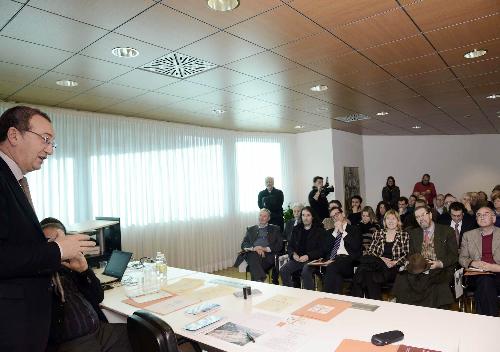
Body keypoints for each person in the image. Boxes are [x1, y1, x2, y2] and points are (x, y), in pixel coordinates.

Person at [0, 106, 96, 352]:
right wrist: (57, 250)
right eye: (45, 140)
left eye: (53, 143)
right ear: (14, 135)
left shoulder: (15, 181)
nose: (50, 150)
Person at [40, 218, 132, 352]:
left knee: (146, 337)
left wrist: (84, 270)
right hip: (74, 341)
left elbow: (98, 297)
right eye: (50, 242)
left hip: (101, 331)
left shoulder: (70, 267)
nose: (57, 246)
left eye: (61, 241)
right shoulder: (37, 275)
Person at [392, 205, 458, 308]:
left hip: (439, 267)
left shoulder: (447, 231)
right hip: (419, 266)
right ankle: (405, 309)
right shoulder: (413, 233)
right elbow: (410, 254)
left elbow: (453, 255)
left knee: (431, 279)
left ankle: (428, 312)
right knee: (402, 277)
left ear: (430, 215)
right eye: (417, 217)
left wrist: (439, 263)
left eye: (423, 215)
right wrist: (411, 263)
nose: (421, 219)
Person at [352, 210, 409, 300]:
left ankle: (359, 300)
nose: (390, 221)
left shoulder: (404, 235)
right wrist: (382, 259)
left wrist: (395, 262)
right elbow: (371, 251)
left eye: (393, 219)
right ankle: (375, 303)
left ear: (398, 221)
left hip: (392, 267)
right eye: (388, 218)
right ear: (384, 221)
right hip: (377, 264)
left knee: (366, 273)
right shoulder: (378, 233)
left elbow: (407, 254)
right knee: (370, 271)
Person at [459, 207, 500, 316]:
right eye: (479, 215)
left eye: (486, 214)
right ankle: (492, 319)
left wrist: (494, 267)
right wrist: (473, 263)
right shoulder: (468, 235)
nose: (482, 217)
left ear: (494, 218)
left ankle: (484, 320)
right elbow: (462, 258)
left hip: (498, 274)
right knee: (485, 280)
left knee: (485, 283)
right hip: (477, 275)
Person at [280, 206, 326, 288]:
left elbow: (322, 250)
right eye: (303, 215)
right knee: (284, 270)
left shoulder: (319, 231)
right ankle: (291, 292)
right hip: (298, 259)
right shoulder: (296, 229)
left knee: (305, 271)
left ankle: (309, 296)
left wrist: (308, 256)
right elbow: (290, 246)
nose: (305, 218)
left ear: (312, 217)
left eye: (308, 215)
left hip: (313, 260)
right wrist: (293, 254)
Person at [322, 207, 362, 294]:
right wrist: (335, 232)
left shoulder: (355, 229)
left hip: (349, 262)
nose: (335, 217)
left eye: (337, 214)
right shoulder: (330, 232)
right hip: (334, 262)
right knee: (336, 277)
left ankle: (324, 297)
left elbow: (356, 246)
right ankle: (335, 300)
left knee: (332, 266)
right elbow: (325, 249)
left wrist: (342, 231)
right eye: (333, 217)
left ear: (343, 214)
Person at [234, 209, 282, 282]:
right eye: (260, 215)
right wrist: (255, 248)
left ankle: (258, 280)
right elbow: (244, 244)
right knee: (253, 255)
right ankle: (260, 279)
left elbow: (279, 245)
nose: (261, 218)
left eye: (264, 216)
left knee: (253, 263)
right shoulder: (251, 229)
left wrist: (264, 249)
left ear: (269, 218)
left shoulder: (275, 229)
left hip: (267, 255)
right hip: (252, 252)